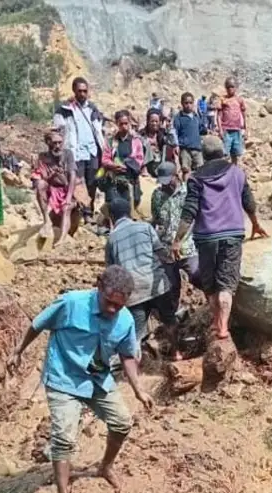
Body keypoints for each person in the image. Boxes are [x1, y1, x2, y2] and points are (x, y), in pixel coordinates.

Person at [7, 265, 154, 493]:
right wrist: (18, 351)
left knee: (122, 423)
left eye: (119, 305)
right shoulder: (70, 303)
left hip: (97, 379)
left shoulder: (125, 320)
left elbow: (127, 355)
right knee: (64, 437)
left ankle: (105, 467)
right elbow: (37, 325)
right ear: (98, 286)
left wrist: (139, 390)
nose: (113, 309)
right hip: (63, 377)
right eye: (109, 302)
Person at [173, 136, 268, 340]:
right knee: (226, 283)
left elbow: (189, 211)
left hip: (206, 236)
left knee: (210, 283)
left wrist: (178, 240)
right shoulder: (237, 173)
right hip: (232, 234)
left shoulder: (196, 178)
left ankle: (216, 321)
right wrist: (256, 224)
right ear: (223, 151)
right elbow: (249, 203)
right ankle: (224, 327)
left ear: (204, 155)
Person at [104, 196, 179, 359]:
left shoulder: (111, 239)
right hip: (155, 284)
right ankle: (176, 353)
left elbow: (111, 271)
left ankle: (135, 371)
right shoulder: (145, 227)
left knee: (136, 334)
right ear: (129, 212)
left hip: (133, 292)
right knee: (169, 320)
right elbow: (160, 251)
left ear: (112, 217)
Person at [151, 161, 200, 335]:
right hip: (166, 250)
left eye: (168, 180)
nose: (165, 185)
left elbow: (195, 217)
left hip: (188, 246)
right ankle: (172, 326)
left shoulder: (188, 193)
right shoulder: (157, 195)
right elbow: (156, 220)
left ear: (176, 175)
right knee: (171, 287)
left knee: (197, 275)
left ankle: (208, 310)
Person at [54, 77, 105, 222]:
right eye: (80, 91)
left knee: (92, 182)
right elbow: (58, 130)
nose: (82, 94)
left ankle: (89, 210)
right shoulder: (65, 110)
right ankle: (83, 212)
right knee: (78, 183)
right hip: (76, 152)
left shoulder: (92, 108)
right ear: (74, 91)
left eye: (85, 91)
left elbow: (99, 129)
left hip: (92, 151)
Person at [32, 130, 82, 243]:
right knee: (40, 184)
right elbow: (43, 178)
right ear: (48, 142)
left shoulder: (68, 154)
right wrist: (53, 175)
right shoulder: (43, 157)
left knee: (66, 208)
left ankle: (62, 238)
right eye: (54, 143)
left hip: (68, 187)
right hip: (53, 189)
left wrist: (69, 197)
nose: (57, 146)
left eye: (60, 143)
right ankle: (46, 220)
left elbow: (72, 176)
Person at [173, 92, 207, 177]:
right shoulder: (179, 118)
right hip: (185, 149)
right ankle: (186, 188)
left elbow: (201, 129)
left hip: (197, 148)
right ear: (182, 104)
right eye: (186, 103)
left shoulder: (196, 117)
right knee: (186, 169)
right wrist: (176, 145)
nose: (188, 105)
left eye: (191, 103)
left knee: (201, 169)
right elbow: (174, 132)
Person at [217, 78, 247, 165]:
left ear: (236, 87)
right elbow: (219, 116)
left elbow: (244, 115)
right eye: (228, 87)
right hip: (226, 130)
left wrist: (246, 129)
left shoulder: (239, 100)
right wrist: (220, 130)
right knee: (225, 153)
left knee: (235, 154)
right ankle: (224, 172)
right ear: (226, 88)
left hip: (237, 130)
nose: (230, 89)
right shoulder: (223, 100)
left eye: (232, 87)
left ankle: (234, 172)